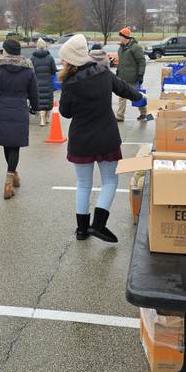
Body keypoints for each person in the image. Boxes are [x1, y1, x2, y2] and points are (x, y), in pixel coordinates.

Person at [58, 34, 143, 243]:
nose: (62, 61)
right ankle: (99, 224)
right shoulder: (103, 73)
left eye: (64, 58)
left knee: (83, 184)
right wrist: (140, 98)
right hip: (106, 137)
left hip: (81, 140)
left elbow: (65, 113)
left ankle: (81, 230)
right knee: (110, 181)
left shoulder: (69, 84)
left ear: (71, 59)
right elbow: (123, 88)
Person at [0, 39, 39, 200]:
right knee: (15, 147)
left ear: (6, 51)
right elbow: (34, 91)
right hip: (19, 111)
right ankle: (12, 177)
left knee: (7, 145)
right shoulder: (28, 70)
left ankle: (9, 180)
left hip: (1, 112)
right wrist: (35, 107)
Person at [115, 27, 147, 121]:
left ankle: (143, 113)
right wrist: (118, 72)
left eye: (120, 36)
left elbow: (142, 61)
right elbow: (121, 62)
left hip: (133, 78)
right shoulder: (120, 48)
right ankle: (120, 116)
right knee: (121, 97)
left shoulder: (135, 47)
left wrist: (140, 75)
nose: (119, 38)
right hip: (122, 78)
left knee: (137, 96)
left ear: (125, 37)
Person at [30, 38, 57, 126]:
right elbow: (53, 71)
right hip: (48, 82)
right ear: (45, 46)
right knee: (48, 100)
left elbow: (31, 71)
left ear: (37, 46)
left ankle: (42, 119)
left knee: (40, 100)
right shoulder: (50, 57)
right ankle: (47, 118)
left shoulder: (32, 58)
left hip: (37, 82)